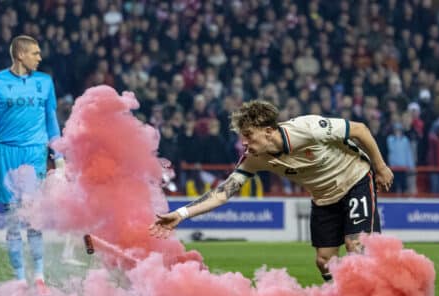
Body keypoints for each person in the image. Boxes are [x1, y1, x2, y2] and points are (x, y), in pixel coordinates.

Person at [150, 100, 393, 282]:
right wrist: (180, 214)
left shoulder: (307, 128)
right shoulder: (255, 158)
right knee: (324, 262)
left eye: (248, 135)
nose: (244, 142)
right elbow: (223, 192)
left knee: (356, 248)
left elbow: (360, 129)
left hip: (355, 179)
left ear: (268, 131)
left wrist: (380, 167)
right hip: (324, 198)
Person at [0, 35, 65, 294]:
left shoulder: (45, 83)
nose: (40, 57)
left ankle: (40, 276)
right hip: (7, 154)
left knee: (33, 218)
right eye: (35, 53)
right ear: (20, 55)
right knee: (13, 219)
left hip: (35, 154)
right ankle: (21, 279)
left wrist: (60, 157)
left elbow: (51, 122)